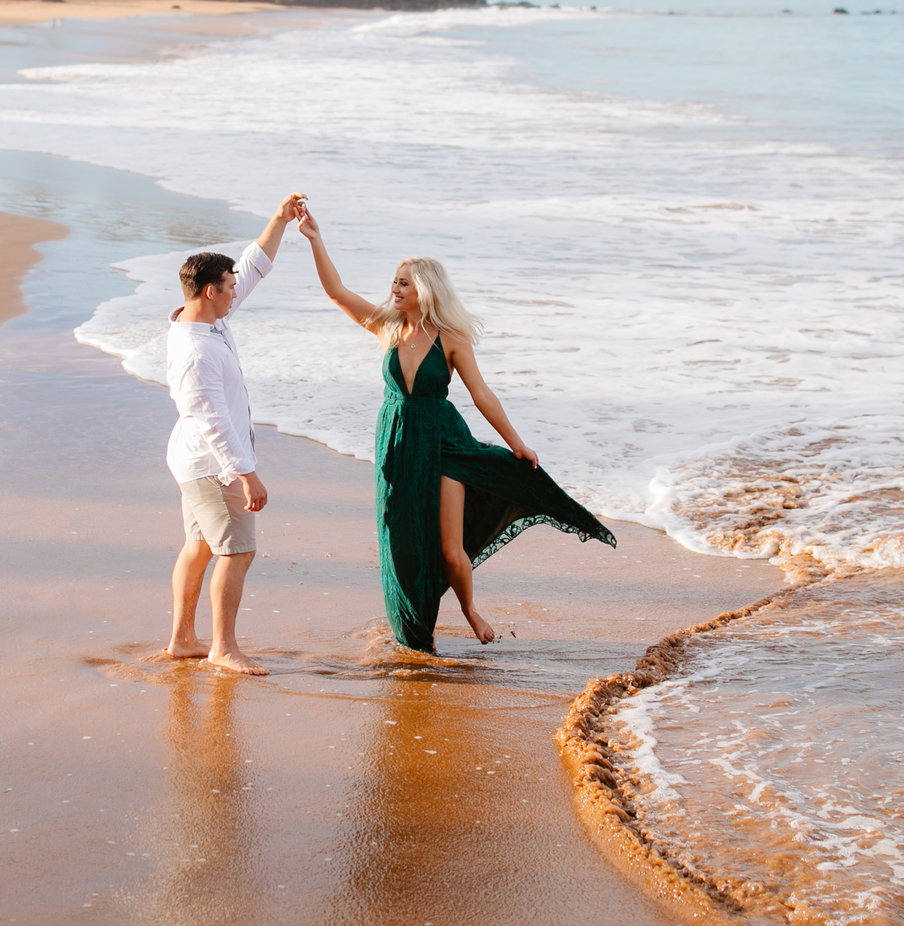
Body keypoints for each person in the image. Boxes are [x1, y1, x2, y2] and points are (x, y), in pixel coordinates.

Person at [295, 206, 614, 651]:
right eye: (394, 281)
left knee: (448, 549)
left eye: (404, 282)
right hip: (397, 443)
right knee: (399, 538)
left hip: (444, 442)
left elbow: (482, 394)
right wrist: (314, 239)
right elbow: (335, 291)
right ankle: (412, 632)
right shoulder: (387, 328)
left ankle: (469, 610)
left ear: (425, 289)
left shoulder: (451, 339)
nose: (395, 288)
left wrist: (517, 444)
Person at [164, 193, 306, 675]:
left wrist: (279, 220)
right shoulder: (196, 352)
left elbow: (252, 266)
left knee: (200, 546)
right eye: (227, 287)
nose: (235, 291)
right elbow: (212, 419)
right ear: (209, 291)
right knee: (237, 551)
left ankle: (184, 638)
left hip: (194, 460)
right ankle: (222, 648)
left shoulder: (205, 318)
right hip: (212, 465)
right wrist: (246, 476)